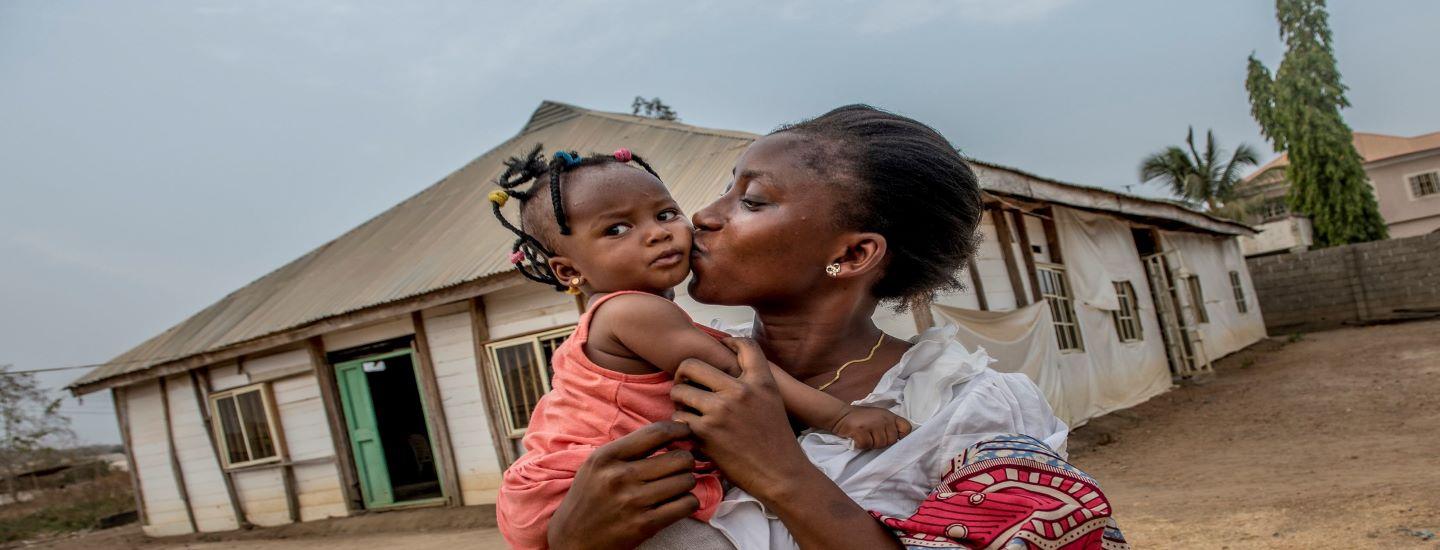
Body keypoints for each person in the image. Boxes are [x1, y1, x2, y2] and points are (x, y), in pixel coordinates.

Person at [544, 105, 1127, 549]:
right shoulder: (661, 376)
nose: (702, 216)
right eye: (726, 188)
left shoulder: (961, 412)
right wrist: (572, 537)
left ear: (850, 256)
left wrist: (783, 474)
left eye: (751, 200)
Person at [489, 145, 913, 550]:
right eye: (617, 229)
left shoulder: (957, 406)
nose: (663, 232)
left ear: (854, 253)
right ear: (568, 270)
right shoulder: (631, 313)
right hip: (592, 491)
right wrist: (840, 416)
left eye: (665, 213)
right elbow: (742, 374)